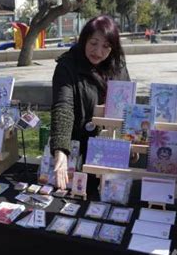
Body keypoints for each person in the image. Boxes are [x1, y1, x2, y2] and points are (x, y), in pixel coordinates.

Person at [50, 15, 130, 189]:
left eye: (106, 47)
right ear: (84, 39)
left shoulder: (118, 66)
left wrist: (131, 139)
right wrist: (61, 150)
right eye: (93, 43)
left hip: (111, 152)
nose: (98, 52)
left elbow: (127, 106)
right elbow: (64, 107)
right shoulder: (67, 66)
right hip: (79, 152)